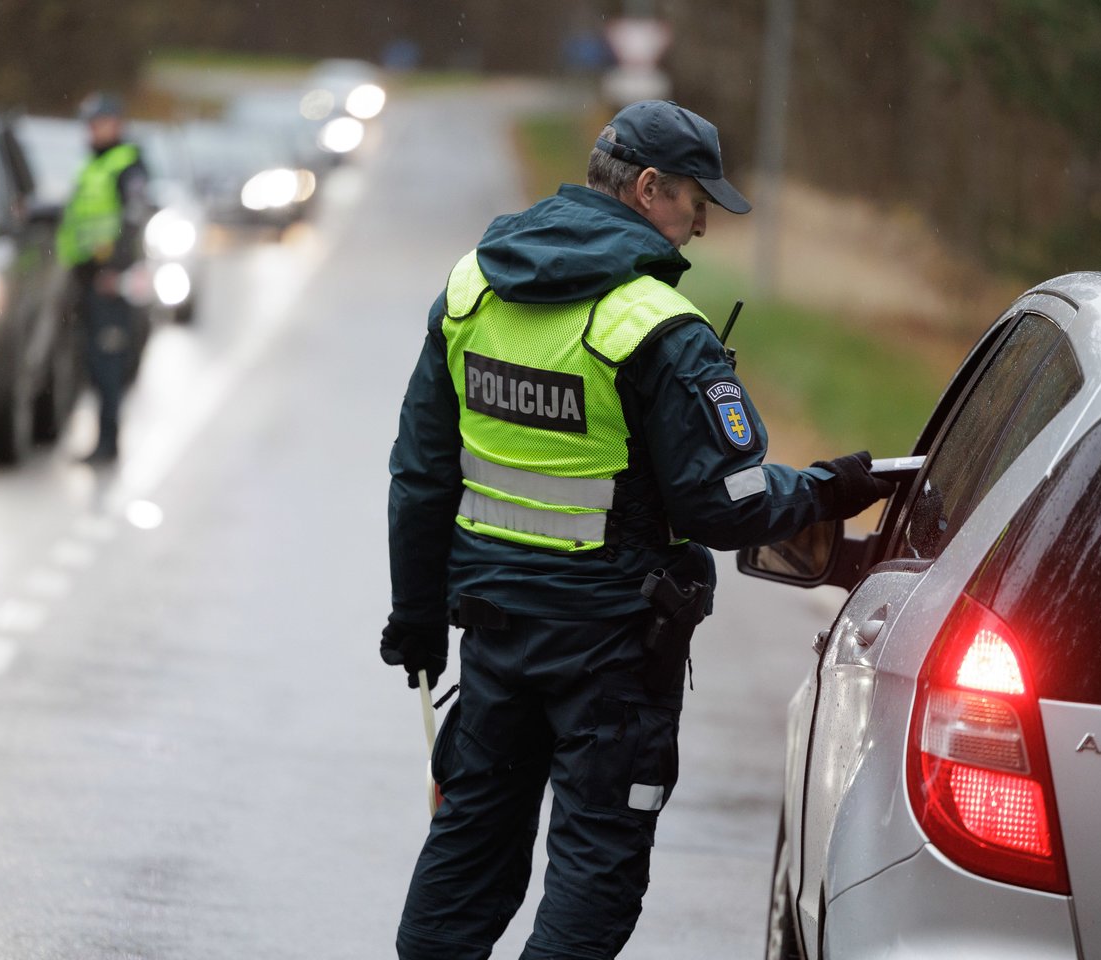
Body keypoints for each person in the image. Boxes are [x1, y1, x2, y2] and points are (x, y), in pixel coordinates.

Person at [382, 99, 894, 959]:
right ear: (649, 188)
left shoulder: (472, 290)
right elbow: (724, 506)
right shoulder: (657, 328)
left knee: (470, 852)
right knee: (596, 871)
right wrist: (829, 490)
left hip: (494, 638)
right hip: (611, 652)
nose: (701, 224)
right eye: (696, 199)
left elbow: (421, 475)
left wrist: (417, 618)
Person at [56, 91, 150, 464]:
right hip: (85, 275)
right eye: (90, 124)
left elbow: (133, 220)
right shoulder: (94, 163)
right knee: (92, 362)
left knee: (109, 362)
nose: (93, 130)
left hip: (109, 281)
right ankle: (100, 440)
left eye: (100, 123)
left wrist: (116, 270)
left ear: (117, 124)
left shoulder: (127, 164)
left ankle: (109, 443)